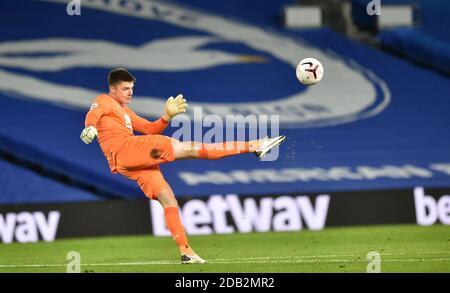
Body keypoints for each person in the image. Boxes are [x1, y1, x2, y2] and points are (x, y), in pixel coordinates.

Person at [80, 68, 286, 264]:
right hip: (125, 150)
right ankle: (255, 145)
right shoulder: (104, 101)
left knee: (167, 198)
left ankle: (185, 251)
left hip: (127, 162)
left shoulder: (125, 111)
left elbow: (150, 129)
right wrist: (89, 127)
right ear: (112, 89)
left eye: (132, 88)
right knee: (192, 149)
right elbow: (93, 115)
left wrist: (166, 116)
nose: (130, 92)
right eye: (125, 89)